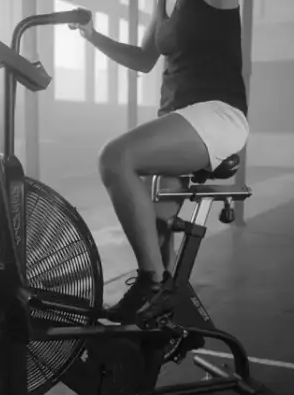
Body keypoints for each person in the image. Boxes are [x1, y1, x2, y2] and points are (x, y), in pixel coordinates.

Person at [73, 0, 249, 325]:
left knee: (115, 158)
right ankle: (164, 324)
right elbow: (142, 60)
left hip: (217, 115)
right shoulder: (162, 5)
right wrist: (92, 35)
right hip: (177, 122)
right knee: (155, 232)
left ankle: (153, 284)